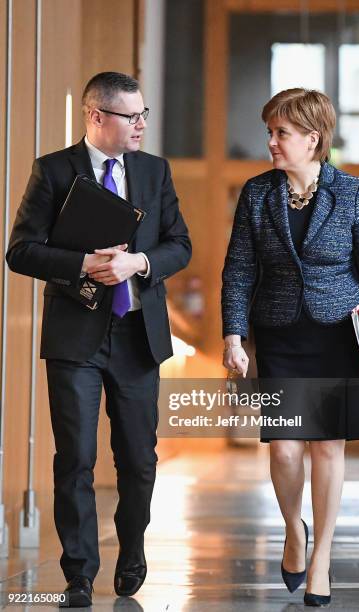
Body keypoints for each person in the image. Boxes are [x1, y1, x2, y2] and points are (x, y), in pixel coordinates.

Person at [7, 71, 191, 607]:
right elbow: (21, 251)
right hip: (76, 337)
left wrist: (141, 261)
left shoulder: (154, 172)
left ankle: (131, 550)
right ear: (96, 117)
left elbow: (180, 244)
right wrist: (83, 264)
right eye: (130, 117)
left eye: (143, 116)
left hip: (138, 335)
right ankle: (79, 573)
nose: (140, 126)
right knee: (77, 457)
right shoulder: (54, 170)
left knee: (138, 458)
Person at [221, 88, 359, 607]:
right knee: (283, 449)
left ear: (312, 138)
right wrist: (233, 335)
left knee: (327, 447)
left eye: (281, 132)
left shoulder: (350, 192)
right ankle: (294, 530)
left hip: (338, 335)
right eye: (270, 131)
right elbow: (238, 270)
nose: (271, 142)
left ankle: (321, 555)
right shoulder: (257, 194)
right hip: (280, 333)